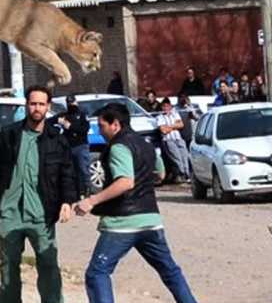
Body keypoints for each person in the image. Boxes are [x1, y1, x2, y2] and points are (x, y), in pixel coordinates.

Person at [74, 103, 197, 303]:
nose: (100, 130)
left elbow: (125, 181)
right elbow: (160, 174)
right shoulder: (146, 144)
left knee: (97, 273)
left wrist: (91, 200)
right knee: (170, 271)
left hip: (122, 223)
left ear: (115, 125)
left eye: (102, 125)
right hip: (151, 220)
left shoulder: (119, 147)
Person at [0, 85, 77, 303]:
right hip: (11, 212)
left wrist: (68, 201)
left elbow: (67, 172)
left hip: (41, 213)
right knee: (8, 267)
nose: (37, 108)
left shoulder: (57, 139)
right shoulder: (10, 134)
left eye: (41, 104)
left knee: (48, 265)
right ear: (26, 105)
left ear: (48, 107)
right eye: (33, 103)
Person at [57, 94, 92, 196]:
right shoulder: (65, 115)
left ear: (76, 102)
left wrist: (70, 126)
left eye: (72, 102)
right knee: (71, 171)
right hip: (69, 146)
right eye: (69, 103)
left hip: (81, 146)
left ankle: (87, 190)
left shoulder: (82, 115)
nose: (71, 105)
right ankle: (76, 191)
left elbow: (84, 129)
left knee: (83, 169)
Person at [156, 99, 190, 184]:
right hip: (168, 140)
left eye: (167, 106)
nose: (166, 108)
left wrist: (169, 126)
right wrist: (174, 126)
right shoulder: (159, 117)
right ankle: (182, 174)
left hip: (178, 138)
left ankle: (188, 174)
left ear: (170, 106)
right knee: (177, 158)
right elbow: (163, 130)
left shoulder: (175, 114)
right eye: (164, 106)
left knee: (185, 156)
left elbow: (181, 125)